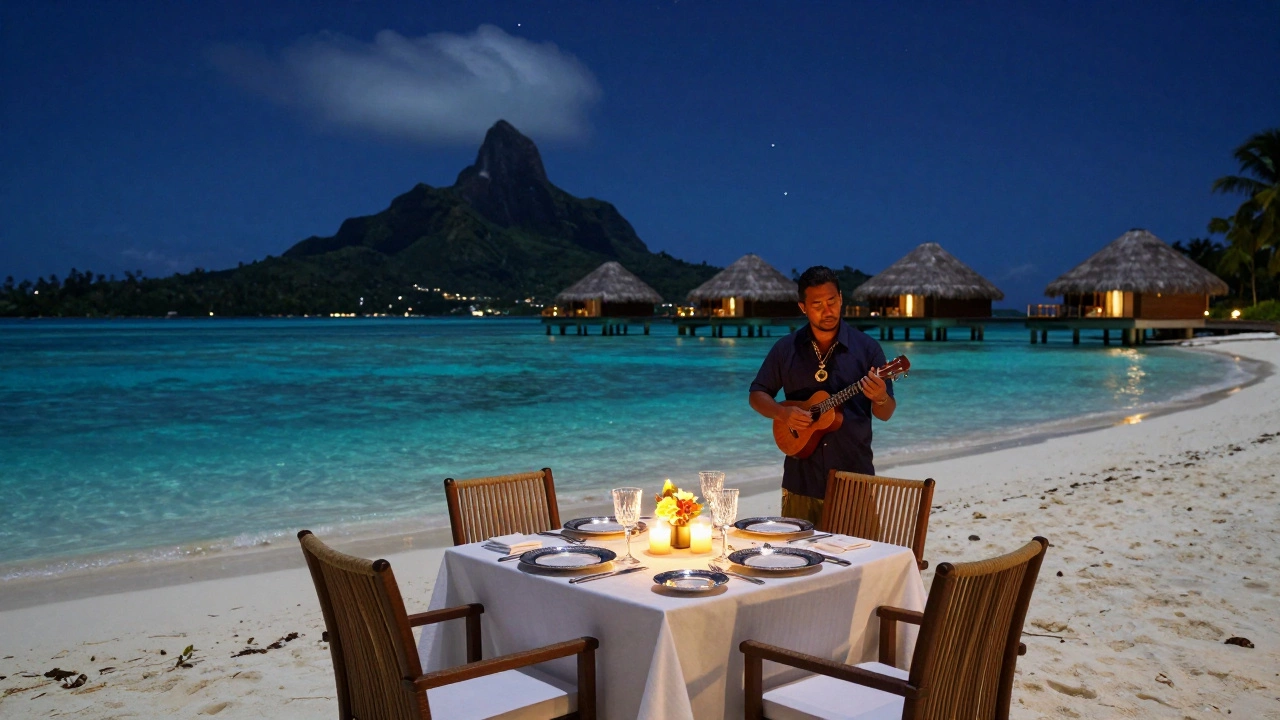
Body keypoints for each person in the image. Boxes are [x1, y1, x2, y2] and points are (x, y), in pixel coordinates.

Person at [748, 266, 896, 524]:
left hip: (854, 478)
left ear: (840, 299)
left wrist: (880, 396)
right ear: (803, 307)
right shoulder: (786, 349)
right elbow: (757, 394)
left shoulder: (868, 349)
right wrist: (783, 413)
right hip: (800, 479)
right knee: (799, 558)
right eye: (817, 304)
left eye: (832, 301)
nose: (827, 311)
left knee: (860, 560)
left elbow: (885, 413)